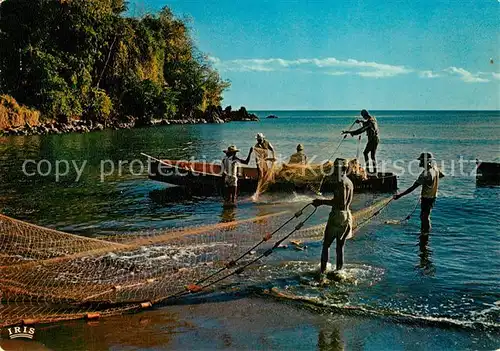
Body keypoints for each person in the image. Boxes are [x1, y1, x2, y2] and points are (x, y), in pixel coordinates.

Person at [312, 158, 354, 284]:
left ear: (340, 169)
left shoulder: (341, 182)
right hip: (347, 216)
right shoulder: (349, 182)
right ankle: (339, 271)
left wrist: (321, 202)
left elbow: (339, 202)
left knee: (326, 245)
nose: (334, 170)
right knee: (340, 247)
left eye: (336, 168)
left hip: (337, 215)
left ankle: (322, 274)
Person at [393, 152, 445, 233]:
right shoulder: (435, 169)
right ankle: (425, 233)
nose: (420, 162)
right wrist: (432, 182)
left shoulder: (425, 174)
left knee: (425, 217)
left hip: (427, 198)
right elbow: (442, 175)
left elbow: (412, 188)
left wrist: (399, 195)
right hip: (433, 196)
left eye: (421, 161)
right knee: (424, 216)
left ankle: (425, 234)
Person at [342, 109, 379, 175]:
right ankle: (374, 172)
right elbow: (367, 123)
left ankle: (368, 171)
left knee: (365, 153)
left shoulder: (369, 123)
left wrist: (348, 132)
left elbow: (360, 130)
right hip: (376, 139)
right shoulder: (373, 119)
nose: (363, 118)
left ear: (365, 115)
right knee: (372, 156)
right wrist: (361, 121)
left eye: (363, 116)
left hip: (372, 140)